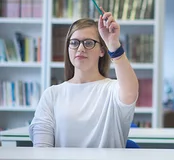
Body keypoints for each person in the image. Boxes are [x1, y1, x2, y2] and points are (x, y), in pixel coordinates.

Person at [29, 12, 139, 147]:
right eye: (74, 43)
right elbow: (41, 151)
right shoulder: (51, 95)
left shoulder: (113, 90)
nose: (80, 48)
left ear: (102, 51)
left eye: (88, 43)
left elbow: (130, 92)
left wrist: (113, 44)